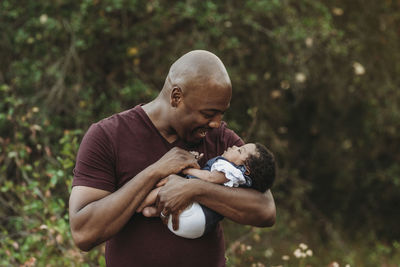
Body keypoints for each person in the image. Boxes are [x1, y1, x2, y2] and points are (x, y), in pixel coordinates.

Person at [69, 50, 276, 267]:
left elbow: (265, 210)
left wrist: (194, 189)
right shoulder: (108, 136)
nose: (216, 123)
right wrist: (155, 171)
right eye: (208, 113)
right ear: (176, 96)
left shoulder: (222, 140)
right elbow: (84, 233)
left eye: (221, 114)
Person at [137, 142, 276, 239]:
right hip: (198, 226)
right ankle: (152, 211)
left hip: (195, 216)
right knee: (172, 193)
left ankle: (138, 204)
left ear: (246, 169)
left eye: (239, 150)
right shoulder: (242, 180)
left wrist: (185, 168)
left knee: (169, 184)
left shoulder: (230, 170)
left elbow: (209, 177)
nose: (234, 146)